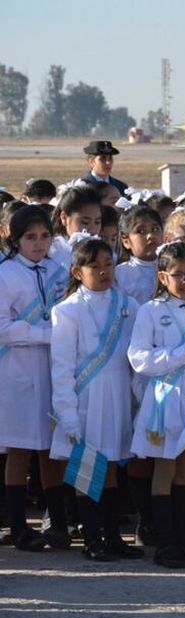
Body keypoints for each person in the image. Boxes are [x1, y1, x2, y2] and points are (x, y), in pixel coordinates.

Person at [50, 234, 143, 562]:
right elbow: (61, 368)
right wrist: (67, 414)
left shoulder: (127, 305)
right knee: (89, 468)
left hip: (118, 395)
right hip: (87, 398)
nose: (104, 271)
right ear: (78, 272)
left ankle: (114, 536)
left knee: (115, 466)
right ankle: (92, 538)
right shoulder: (67, 311)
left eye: (108, 264)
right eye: (94, 266)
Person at [127, 242, 185, 568]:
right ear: (163, 276)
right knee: (165, 467)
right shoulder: (150, 310)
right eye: (178, 275)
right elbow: (138, 358)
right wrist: (178, 354)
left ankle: (184, 539)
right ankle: (165, 543)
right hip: (165, 400)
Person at [0, 205, 71, 552]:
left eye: (45, 236)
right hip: (18, 373)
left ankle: (58, 523)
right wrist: (46, 334)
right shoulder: (5, 274)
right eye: (30, 237)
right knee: (20, 449)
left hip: (53, 370)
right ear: (15, 239)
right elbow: (3, 328)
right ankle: (18, 527)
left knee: (51, 450)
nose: (39, 243)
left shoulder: (59, 270)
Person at [115, 206, 164, 305]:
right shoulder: (119, 274)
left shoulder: (172, 267)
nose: (150, 235)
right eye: (141, 231)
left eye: (155, 229)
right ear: (126, 242)